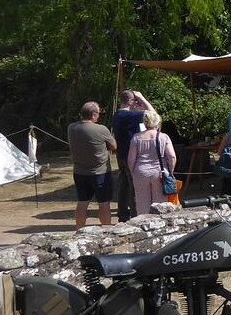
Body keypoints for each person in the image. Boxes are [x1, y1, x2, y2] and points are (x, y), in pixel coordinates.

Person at [67, 101, 117, 229]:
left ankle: (79, 229)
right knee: (104, 202)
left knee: (82, 202)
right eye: (98, 113)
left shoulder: (71, 128)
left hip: (79, 171)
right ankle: (107, 230)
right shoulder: (101, 129)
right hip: (100, 172)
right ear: (94, 114)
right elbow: (114, 146)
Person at [111, 89, 154, 222]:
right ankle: (136, 216)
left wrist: (137, 106)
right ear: (130, 101)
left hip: (121, 154)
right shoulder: (129, 116)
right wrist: (142, 97)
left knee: (123, 184)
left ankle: (122, 214)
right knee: (134, 185)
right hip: (132, 155)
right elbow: (152, 114)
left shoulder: (117, 114)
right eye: (134, 100)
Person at [127, 110, 177, 215]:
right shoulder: (164, 137)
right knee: (160, 203)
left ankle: (142, 225)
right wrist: (170, 171)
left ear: (145, 123)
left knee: (142, 202)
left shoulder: (136, 137)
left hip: (141, 172)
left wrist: (133, 173)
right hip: (159, 172)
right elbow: (172, 156)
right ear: (158, 123)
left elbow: (131, 159)